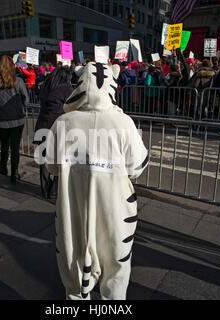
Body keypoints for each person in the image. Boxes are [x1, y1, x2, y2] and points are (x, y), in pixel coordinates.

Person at [44, 62, 149, 300]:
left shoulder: (63, 123)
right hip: (115, 209)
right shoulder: (123, 123)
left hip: (73, 207)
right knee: (116, 268)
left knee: (73, 261)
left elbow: (52, 166)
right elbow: (136, 168)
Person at [34, 67, 73, 199]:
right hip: (56, 127)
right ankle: (54, 190)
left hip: (42, 126)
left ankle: (45, 189)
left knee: (44, 161)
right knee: (58, 159)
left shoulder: (45, 86)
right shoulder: (66, 89)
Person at [0, 55, 29, 183]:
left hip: (2, 119)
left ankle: (3, 167)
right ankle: (15, 172)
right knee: (15, 146)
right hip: (17, 118)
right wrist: (21, 107)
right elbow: (26, 99)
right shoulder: (18, 81)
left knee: (4, 145)